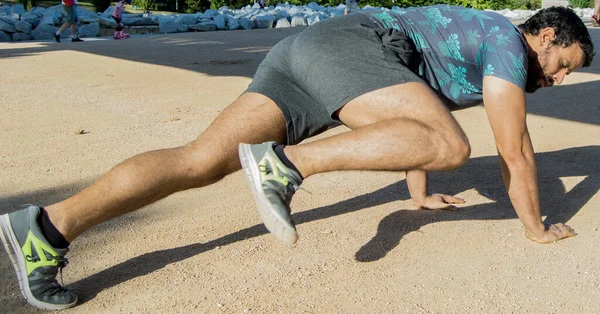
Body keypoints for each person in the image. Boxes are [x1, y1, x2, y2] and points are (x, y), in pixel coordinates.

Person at [0, 5, 593, 310]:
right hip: (350, 50)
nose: (561, 78)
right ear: (543, 36)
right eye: (564, 63)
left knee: (201, 160)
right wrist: (536, 229)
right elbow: (514, 151)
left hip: (313, 57)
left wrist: (416, 192)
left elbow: (414, 103)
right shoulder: (505, 45)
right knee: (453, 145)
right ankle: (286, 166)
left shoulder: (478, 45)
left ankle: (47, 228)